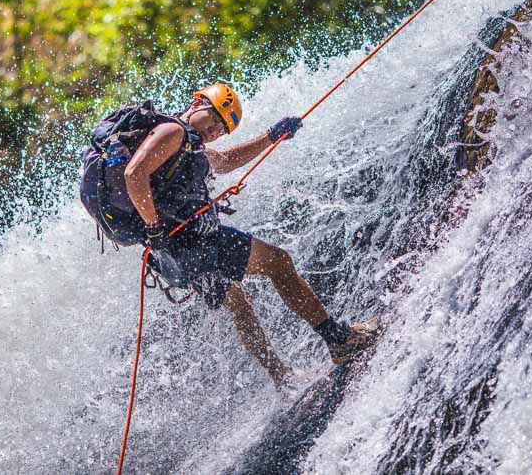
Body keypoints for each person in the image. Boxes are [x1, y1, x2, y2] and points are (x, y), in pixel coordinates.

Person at [80, 83, 378, 388]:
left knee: (239, 303)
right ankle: (338, 339)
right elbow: (134, 175)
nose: (215, 130)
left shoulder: (187, 143)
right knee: (278, 262)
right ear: (197, 104)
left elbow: (223, 162)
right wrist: (154, 227)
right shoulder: (173, 132)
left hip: (173, 257)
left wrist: (271, 137)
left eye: (222, 129)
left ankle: (282, 378)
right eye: (215, 119)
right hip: (192, 244)